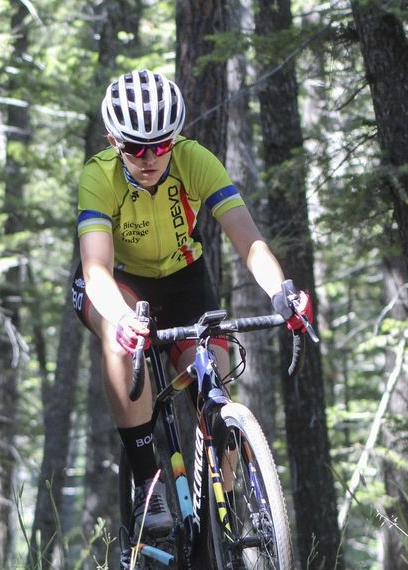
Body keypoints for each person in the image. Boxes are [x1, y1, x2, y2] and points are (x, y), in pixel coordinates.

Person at [71, 68, 313, 537]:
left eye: (161, 145)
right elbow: (95, 267)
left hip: (184, 282)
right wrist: (121, 318)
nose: (149, 157)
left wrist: (282, 292)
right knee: (120, 343)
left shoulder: (195, 160)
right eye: (136, 148)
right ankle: (148, 481)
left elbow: (249, 241)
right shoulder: (98, 177)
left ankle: (222, 520)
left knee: (215, 384)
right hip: (118, 285)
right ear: (112, 140)